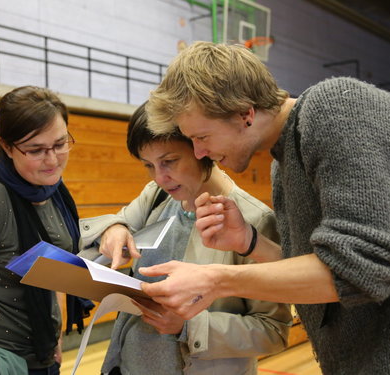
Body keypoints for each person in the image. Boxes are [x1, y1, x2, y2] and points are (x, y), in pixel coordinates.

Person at [140, 41, 390, 374]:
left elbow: (361, 269)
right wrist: (249, 242)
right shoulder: (283, 159)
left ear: (245, 113)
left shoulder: (338, 107)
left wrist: (216, 280)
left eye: (201, 137)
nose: (199, 152)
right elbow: (319, 271)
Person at [79, 102, 291, 375]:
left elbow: (273, 331)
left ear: (200, 148)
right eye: (148, 165)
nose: (159, 177)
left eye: (169, 162)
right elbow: (104, 236)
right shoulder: (155, 195)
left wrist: (190, 327)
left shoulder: (254, 221)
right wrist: (112, 229)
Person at [0, 86, 91, 375]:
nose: (52, 159)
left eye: (60, 144)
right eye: (36, 150)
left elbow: (49, 266)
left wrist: (53, 333)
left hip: (38, 359)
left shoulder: (52, 189)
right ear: (6, 147)